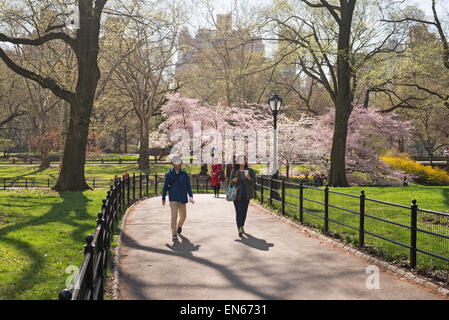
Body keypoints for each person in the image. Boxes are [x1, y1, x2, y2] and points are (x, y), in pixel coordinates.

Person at [162, 156, 195, 241]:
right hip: (173, 198)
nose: (180, 164)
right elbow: (165, 186)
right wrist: (163, 198)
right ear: (174, 164)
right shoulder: (169, 174)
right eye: (178, 163)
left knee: (183, 216)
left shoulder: (184, 174)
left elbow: (188, 186)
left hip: (182, 198)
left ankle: (179, 226)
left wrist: (191, 196)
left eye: (180, 162)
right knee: (174, 216)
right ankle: (174, 234)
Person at [229, 155, 256, 237]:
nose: (243, 162)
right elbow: (230, 184)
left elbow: (254, 182)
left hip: (246, 194)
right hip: (237, 194)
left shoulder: (250, 171)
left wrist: (249, 178)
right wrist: (233, 180)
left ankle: (242, 226)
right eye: (241, 160)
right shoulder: (235, 171)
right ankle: (239, 228)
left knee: (244, 212)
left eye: (244, 160)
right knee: (239, 211)